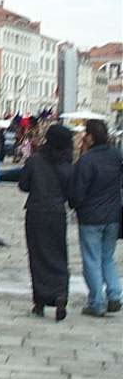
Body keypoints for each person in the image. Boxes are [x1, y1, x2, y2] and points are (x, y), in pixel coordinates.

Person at [18, 123, 74, 320]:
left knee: (37, 255)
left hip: (36, 212)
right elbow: (71, 194)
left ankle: (40, 301)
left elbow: (23, 185)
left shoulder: (34, 160)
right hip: (57, 213)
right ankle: (60, 295)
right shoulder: (68, 165)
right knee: (58, 254)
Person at [68, 119, 122, 317]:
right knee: (107, 257)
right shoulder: (116, 155)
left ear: (90, 137)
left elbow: (77, 192)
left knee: (91, 259)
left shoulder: (86, 161)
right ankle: (115, 294)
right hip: (113, 216)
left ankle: (96, 302)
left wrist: (74, 205)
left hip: (90, 217)